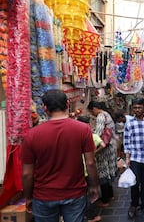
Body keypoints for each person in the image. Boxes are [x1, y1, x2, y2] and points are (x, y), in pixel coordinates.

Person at [22, 89, 99, 222]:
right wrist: (94, 186)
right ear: (67, 104)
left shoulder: (32, 135)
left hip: (43, 195)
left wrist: (28, 197)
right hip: (74, 193)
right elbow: (91, 163)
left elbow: (27, 174)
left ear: (45, 108)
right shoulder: (83, 129)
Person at [87, 101, 118, 207]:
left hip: (104, 150)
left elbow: (98, 134)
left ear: (95, 108)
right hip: (111, 147)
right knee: (109, 171)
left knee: (103, 173)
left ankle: (105, 200)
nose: (92, 115)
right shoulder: (106, 114)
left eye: (91, 112)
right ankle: (110, 195)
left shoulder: (101, 116)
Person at [77, 116, 105, 222]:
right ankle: (91, 216)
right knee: (92, 194)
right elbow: (102, 144)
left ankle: (82, 214)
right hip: (89, 170)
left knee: (81, 194)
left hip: (78, 170)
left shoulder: (75, 136)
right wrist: (94, 152)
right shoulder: (92, 136)